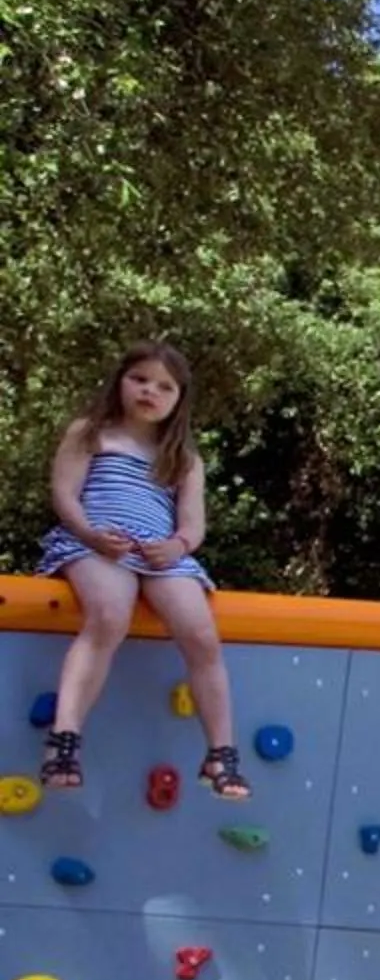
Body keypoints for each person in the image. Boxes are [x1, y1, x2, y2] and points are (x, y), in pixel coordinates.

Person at [32, 342, 248, 799]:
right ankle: (64, 738)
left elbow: (193, 523)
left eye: (164, 386)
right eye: (140, 379)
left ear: (178, 400)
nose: (150, 391)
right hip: (97, 544)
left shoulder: (184, 459)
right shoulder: (91, 432)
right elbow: (65, 494)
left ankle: (220, 751)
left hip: (160, 556)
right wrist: (89, 534)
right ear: (120, 382)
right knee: (109, 615)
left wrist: (178, 545)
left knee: (201, 634)